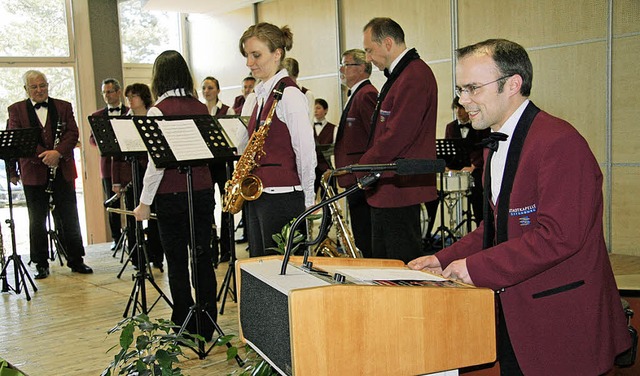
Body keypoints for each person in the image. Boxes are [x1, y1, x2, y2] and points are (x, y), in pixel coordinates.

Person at [408, 39, 631, 375]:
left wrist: (474, 268)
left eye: (472, 88)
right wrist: (442, 258)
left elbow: (560, 236)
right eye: (460, 89)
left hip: (561, 321)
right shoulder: (493, 146)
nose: (462, 100)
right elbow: (495, 228)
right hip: (516, 314)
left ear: (512, 84)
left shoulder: (560, 142)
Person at [133, 50, 217, 340]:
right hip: (203, 192)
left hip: (171, 195)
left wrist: (144, 203)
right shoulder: (202, 107)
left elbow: (156, 166)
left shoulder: (158, 110)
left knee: (177, 260)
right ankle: (207, 323)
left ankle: (182, 320)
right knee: (202, 256)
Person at [360, 17, 438, 263]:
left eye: (369, 50)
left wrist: (361, 167)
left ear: (388, 43)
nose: (368, 58)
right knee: (384, 264)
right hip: (389, 188)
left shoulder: (414, 76)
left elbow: (397, 136)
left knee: (399, 266)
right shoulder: (402, 75)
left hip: (399, 189)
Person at [237, 22, 316, 257]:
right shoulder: (261, 95)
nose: (249, 63)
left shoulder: (290, 94)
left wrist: (309, 199)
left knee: (281, 273)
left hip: (282, 197)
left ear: (277, 54)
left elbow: (305, 150)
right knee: (261, 270)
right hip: (259, 194)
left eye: (256, 55)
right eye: (247, 55)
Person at [7, 70, 93, 279]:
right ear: (26, 90)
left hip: (62, 170)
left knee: (69, 216)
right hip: (33, 172)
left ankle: (76, 259)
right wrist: (44, 156)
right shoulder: (16, 110)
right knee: (37, 219)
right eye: (34, 87)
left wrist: (58, 153)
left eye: (43, 85)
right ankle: (41, 263)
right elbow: (17, 138)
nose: (39, 90)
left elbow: (73, 133)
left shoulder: (64, 106)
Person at [111, 83, 164, 270]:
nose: (130, 101)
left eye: (134, 96)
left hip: (152, 172)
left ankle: (157, 256)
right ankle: (137, 257)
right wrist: (116, 181)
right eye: (128, 97)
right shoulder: (124, 121)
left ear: (143, 97)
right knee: (135, 216)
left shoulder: (154, 116)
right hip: (133, 174)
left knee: (156, 215)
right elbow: (116, 156)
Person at [334, 48, 378, 258]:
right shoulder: (357, 94)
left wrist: (365, 173)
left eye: (346, 64)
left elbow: (375, 137)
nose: (341, 69)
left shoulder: (367, 94)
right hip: (354, 176)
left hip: (362, 176)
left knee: (365, 233)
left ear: (361, 68)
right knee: (361, 232)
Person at [91, 78, 128, 250]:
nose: (106, 95)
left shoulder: (129, 112)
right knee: (112, 203)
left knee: (131, 201)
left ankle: (133, 236)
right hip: (107, 167)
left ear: (118, 92)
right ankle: (116, 237)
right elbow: (92, 140)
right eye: (104, 92)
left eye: (110, 91)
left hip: (127, 165)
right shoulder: (97, 116)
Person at [201, 76, 234, 265]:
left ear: (218, 90)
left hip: (223, 162)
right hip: (205, 163)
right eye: (204, 88)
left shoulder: (227, 110)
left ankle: (227, 250)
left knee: (226, 204)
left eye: (211, 88)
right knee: (208, 206)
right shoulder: (199, 110)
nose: (207, 91)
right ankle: (211, 248)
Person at [444, 96, 490, 226]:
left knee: (477, 193)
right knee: (435, 191)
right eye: (457, 108)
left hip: (474, 169)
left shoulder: (480, 126)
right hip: (455, 168)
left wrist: (474, 165)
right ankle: (428, 233)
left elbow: (484, 150)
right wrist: (448, 166)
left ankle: (481, 225)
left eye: (462, 108)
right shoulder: (451, 127)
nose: (459, 111)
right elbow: (448, 152)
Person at [312, 98, 337, 195]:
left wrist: (333, 168)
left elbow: (335, 151)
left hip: (327, 169)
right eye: (314, 108)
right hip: (311, 169)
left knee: (329, 197)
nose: (315, 111)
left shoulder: (334, 128)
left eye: (318, 108)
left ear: (326, 110)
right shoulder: (308, 127)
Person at [282, 57, 315, 123]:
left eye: (291, 79)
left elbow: (309, 122)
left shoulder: (307, 94)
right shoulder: (278, 93)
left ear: (296, 75)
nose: (288, 83)